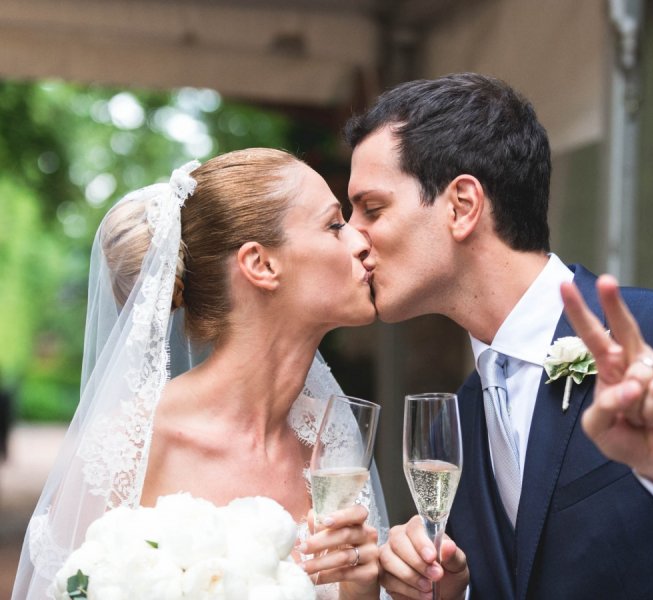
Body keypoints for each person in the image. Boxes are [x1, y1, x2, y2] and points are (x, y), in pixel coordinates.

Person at [344, 72, 653, 599]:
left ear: (462, 205)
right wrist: (453, 591)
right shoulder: (461, 416)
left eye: (372, 209)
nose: (353, 236)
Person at [12, 148, 388, 599]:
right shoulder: (129, 445)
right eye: (334, 225)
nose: (362, 241)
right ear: (261, 264)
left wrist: (362, 587)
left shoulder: (332, 443)